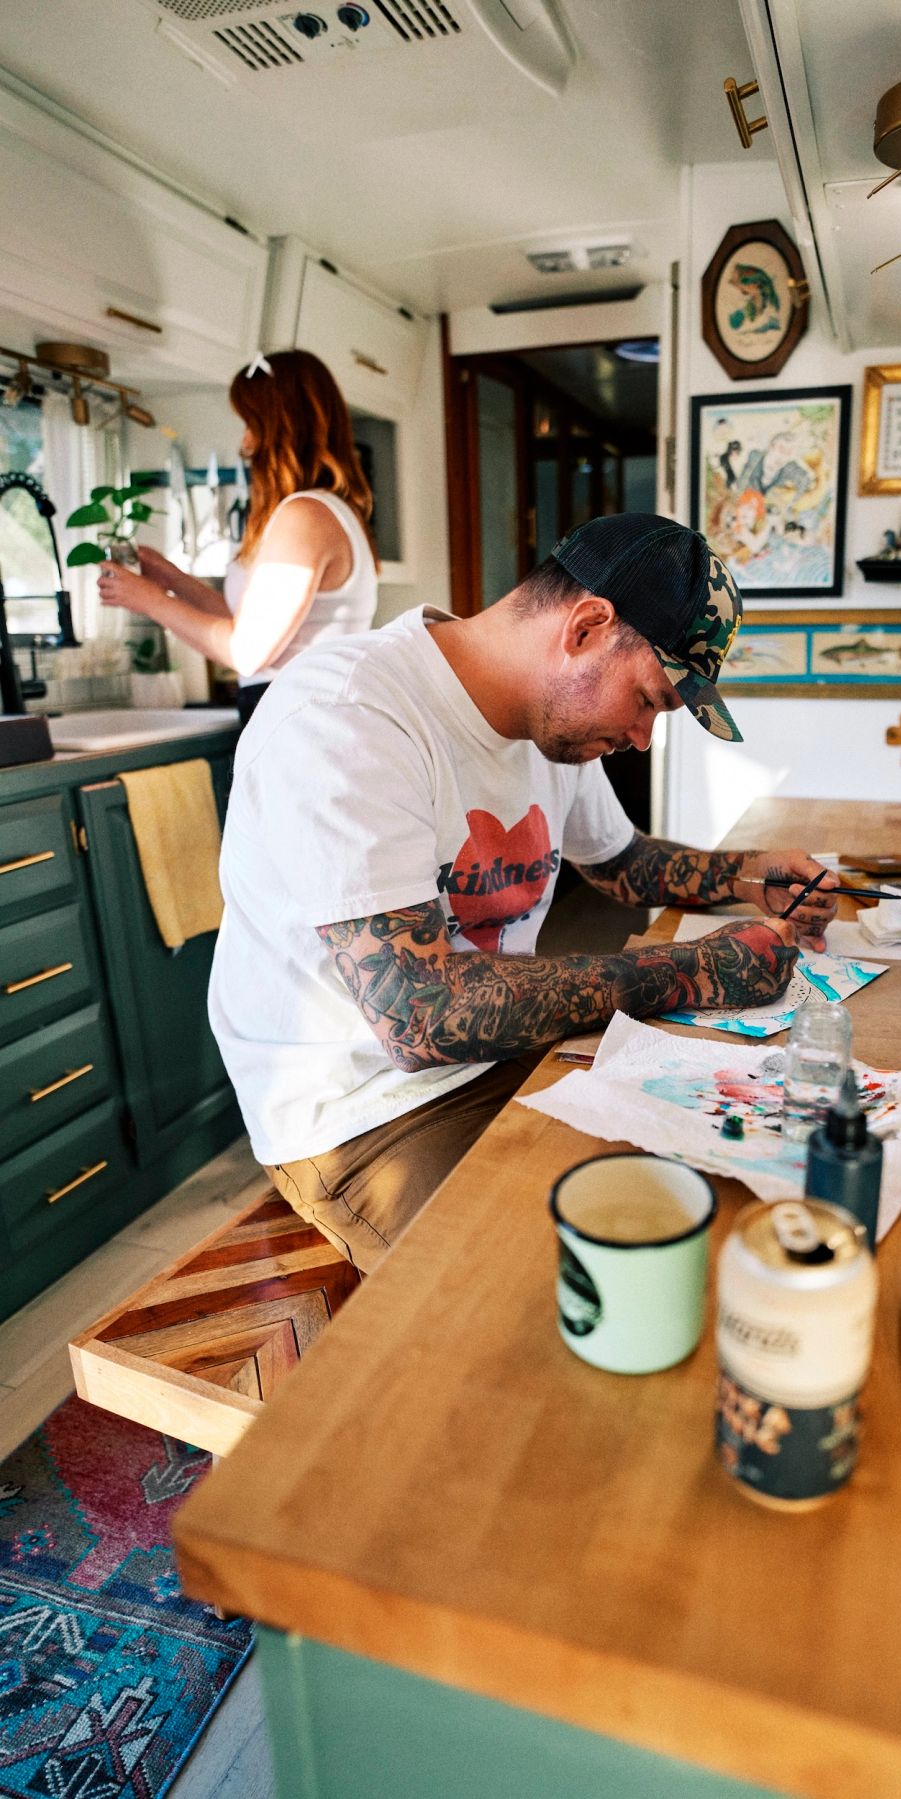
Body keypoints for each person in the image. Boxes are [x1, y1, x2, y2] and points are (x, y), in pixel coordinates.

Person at [208, 513, 837, 1273]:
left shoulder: (553, 725)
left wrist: (748, 875)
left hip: (499, 1054)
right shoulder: (349, 714)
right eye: (650, 700)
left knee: (717, 1203)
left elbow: (620, 861)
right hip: (361, 1112)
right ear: (587, 628)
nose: (643, 738)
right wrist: (697, 970)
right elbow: (420, 1014)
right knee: (570, 1282)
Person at [96, 349, 379, 725]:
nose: (244, 443)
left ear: (280, 428)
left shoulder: (305, 516)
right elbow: (247, 625)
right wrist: (173, 581)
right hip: (307, 714)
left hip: (300, 718)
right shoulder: (327, 511)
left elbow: (246, 652)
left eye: (250, 424)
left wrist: (150, 601)